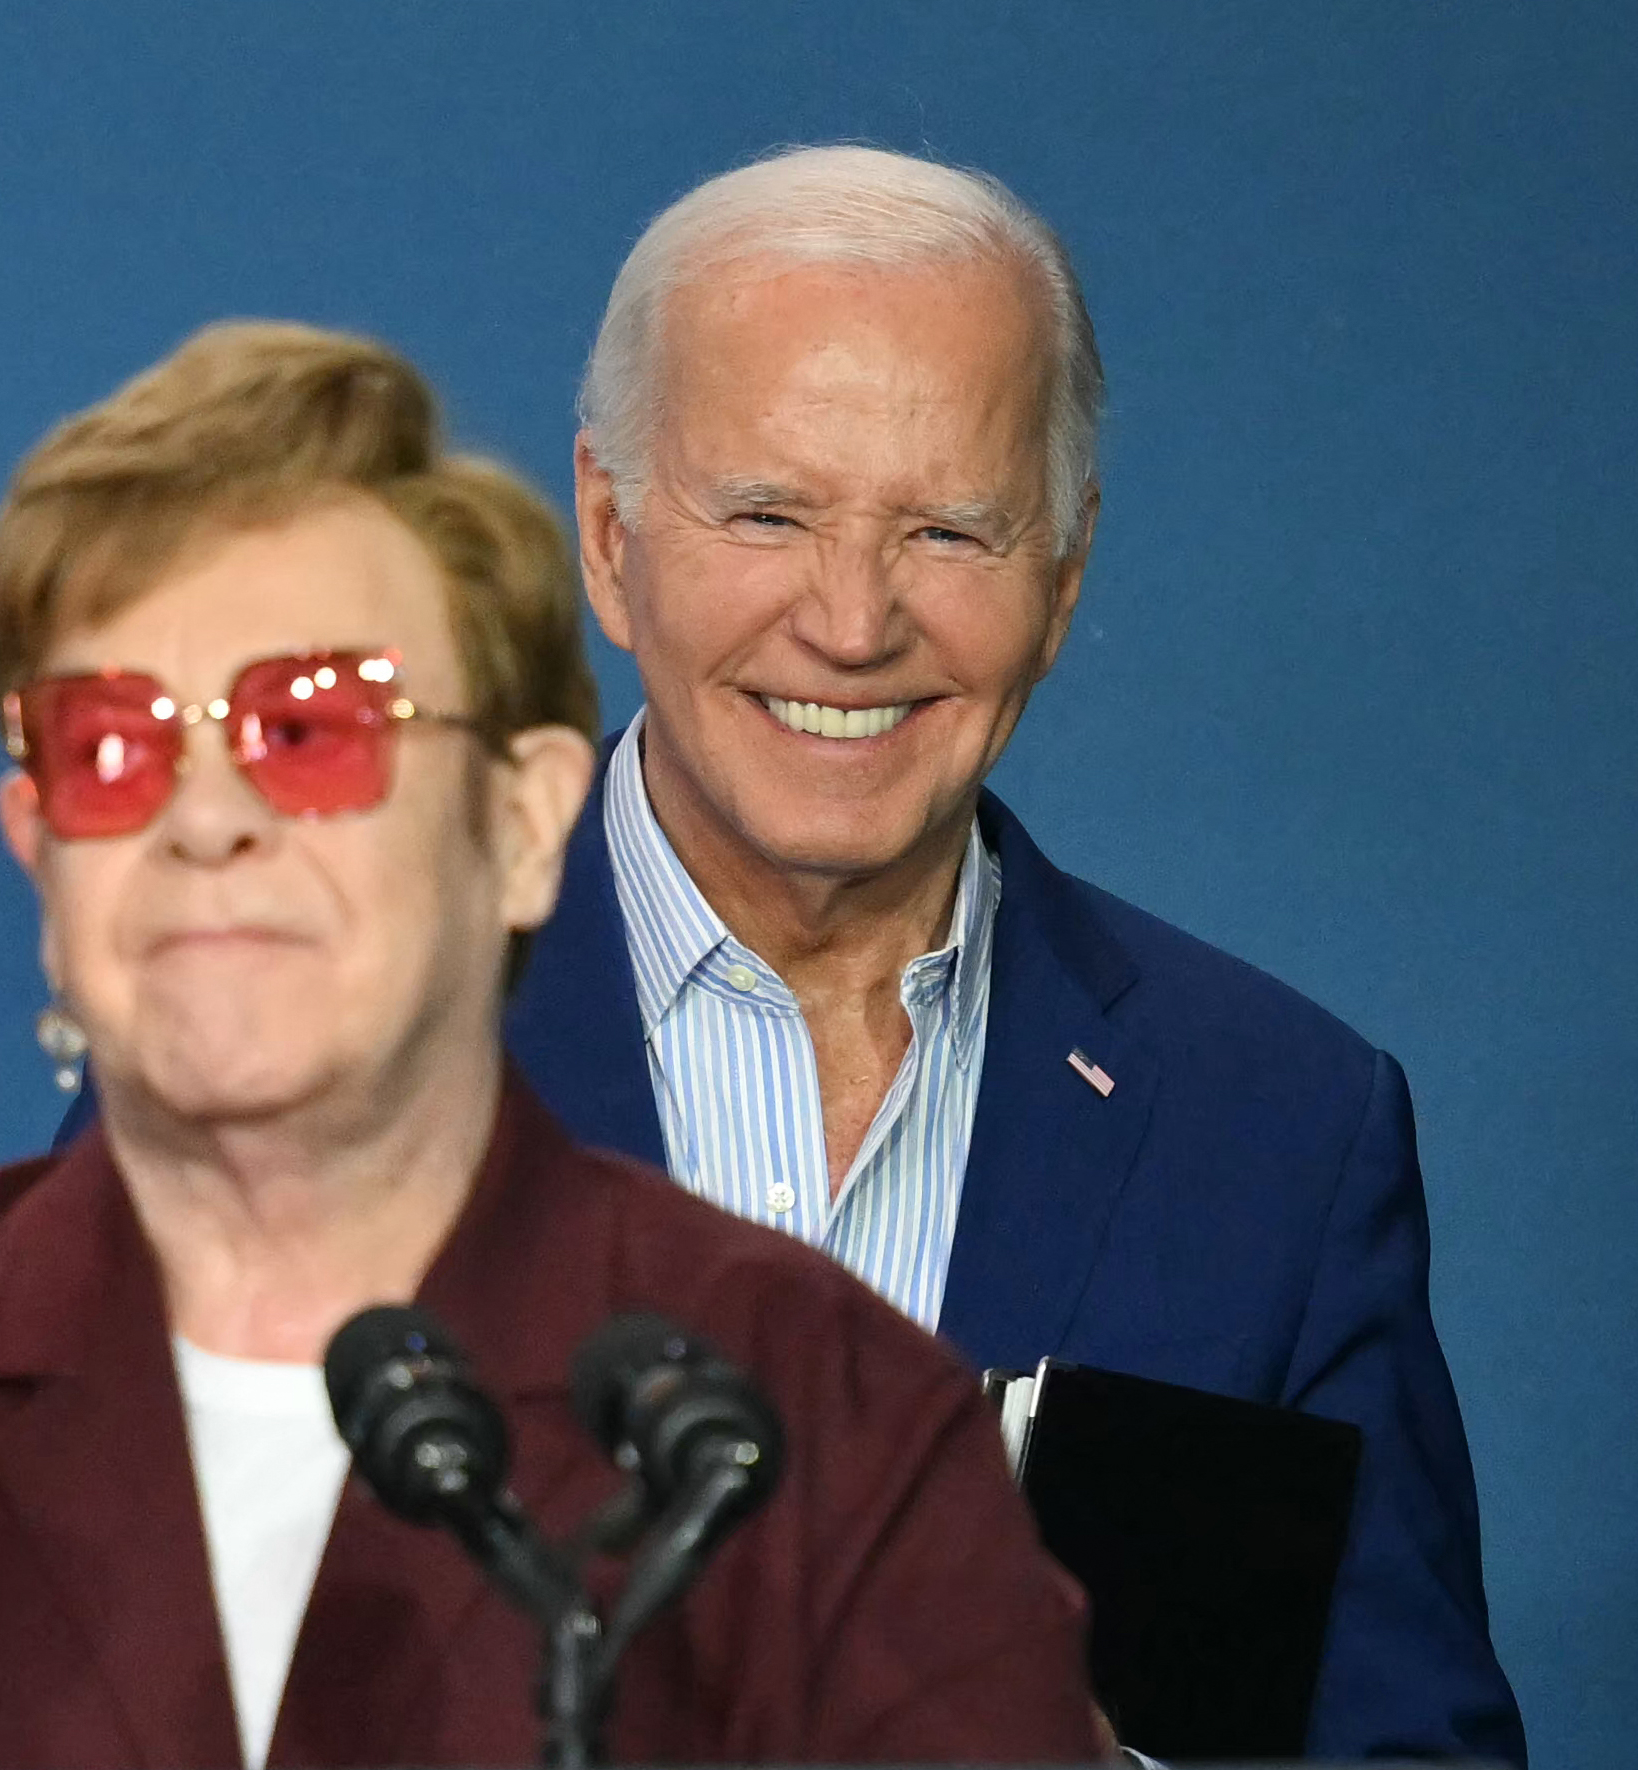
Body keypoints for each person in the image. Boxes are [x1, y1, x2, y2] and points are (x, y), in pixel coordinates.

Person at [0, 322, 1102, 1769]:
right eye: (110, 749)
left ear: (524, 824)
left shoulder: (810, 1417)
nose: (206, 819)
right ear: (40, 854)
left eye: (307, 728)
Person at [529, 146, 1525, 1762]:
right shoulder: (315, 1061)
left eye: (948, 530)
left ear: (1061, 579)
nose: (852, 622)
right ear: (607, 532)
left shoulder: (1274, 1131)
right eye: (769, 511)